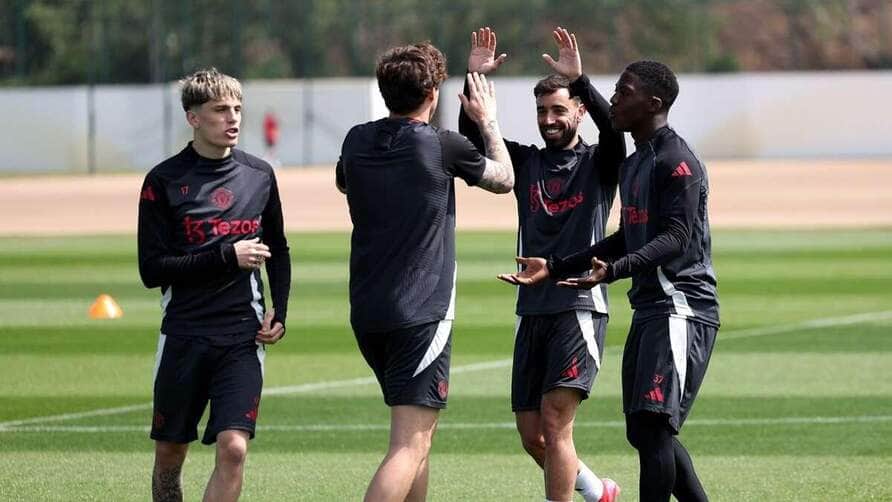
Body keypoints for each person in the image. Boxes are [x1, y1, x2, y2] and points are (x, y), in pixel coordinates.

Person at [499, 60, 719, 502]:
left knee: (654, 428)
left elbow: (676, 238)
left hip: (681, 306)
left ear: (653, 104)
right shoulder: (637, 163)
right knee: (643, 429)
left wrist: (613, 271)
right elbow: (625, 237)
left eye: (624, 91)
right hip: (650, 307)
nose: (615, 97)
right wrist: (559, 267)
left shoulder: (678, 161)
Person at [335, 42, 514, 502]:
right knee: (409, 444)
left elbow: (344, 179)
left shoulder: (356, 139)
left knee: (419, 439)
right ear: (433, 92)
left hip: (368, 311)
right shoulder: (439, 144)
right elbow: (504, 178)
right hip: (421, 312)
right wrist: (488, 117)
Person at [461, 27, 625, 502]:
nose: (549, 119)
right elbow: (472, 142)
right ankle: (598, 492)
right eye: (541, 111)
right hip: (531, 310)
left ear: (578, 111)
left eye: (558, 110)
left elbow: (615, 133)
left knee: (556, 424)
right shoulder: (526, 163)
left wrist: (583, 81)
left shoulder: (600, 163)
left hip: (579, 305)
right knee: (532, 435)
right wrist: (474, 76)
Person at [138, 68, 291, 502]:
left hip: (241, 336)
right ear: (193, 118)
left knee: (234, 448)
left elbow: (277, 248)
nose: (234, 118)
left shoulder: (259, 174)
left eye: (238, 108)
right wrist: (227, 256)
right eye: (221, 110)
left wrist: (280, 307)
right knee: (170, 452)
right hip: (184, 334)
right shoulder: (163, 181)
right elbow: (152, 270)